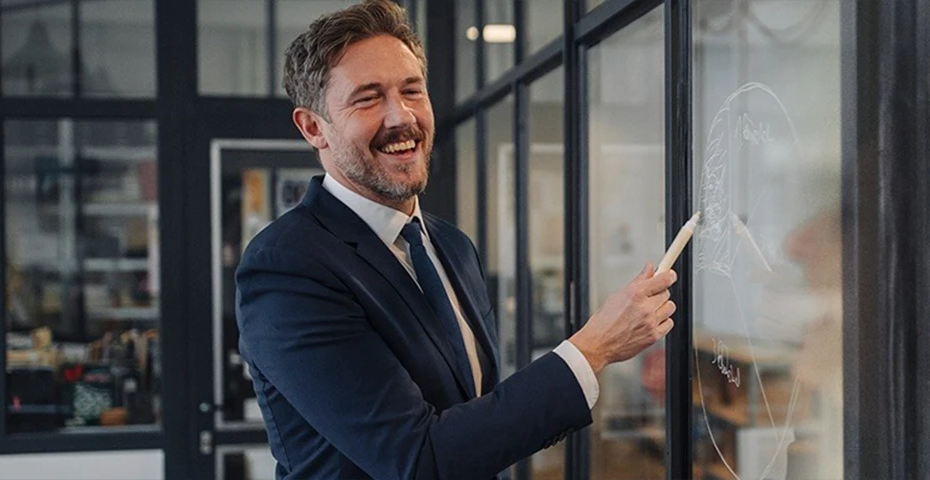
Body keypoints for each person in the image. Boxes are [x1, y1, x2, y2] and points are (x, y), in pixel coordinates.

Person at [234, 2, 677, 478]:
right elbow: (418, 458)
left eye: (412, 90)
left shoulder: (451, 246)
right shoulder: (286, 267)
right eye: (367, 98)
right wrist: (594, 347)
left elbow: (478, 421)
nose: (401, 117)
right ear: (313, 128)